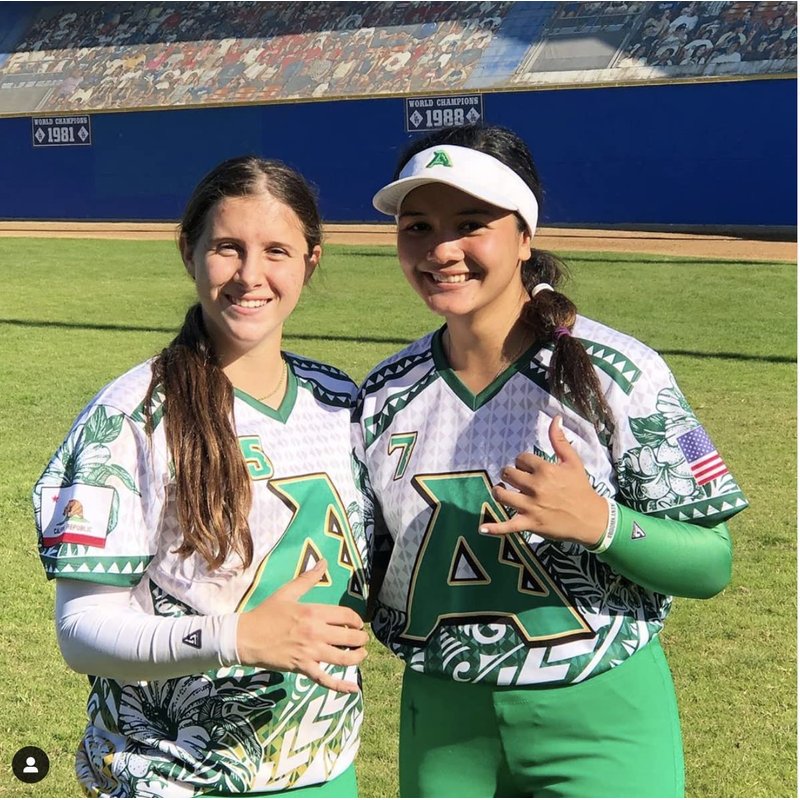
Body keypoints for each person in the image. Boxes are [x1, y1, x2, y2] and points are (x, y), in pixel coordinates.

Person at [354, 124, 748, 798]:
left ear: (524, 237)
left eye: (470, 224)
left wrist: (601, 522)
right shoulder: (384, 394)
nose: (441, 250)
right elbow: (367, 565)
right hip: (443, 725)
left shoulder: (617, 373)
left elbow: (712, 562)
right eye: (417, 227)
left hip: (600, 718)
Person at [33, 156, 369, 798]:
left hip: (322, 771)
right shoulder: (129, 415)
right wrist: (235, 636)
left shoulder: (341, 401)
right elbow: (82, 634)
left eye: (276, 251)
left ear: (311, 262)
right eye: (227, 248)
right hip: (169, 778)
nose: (250, 275)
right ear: (188, 251)